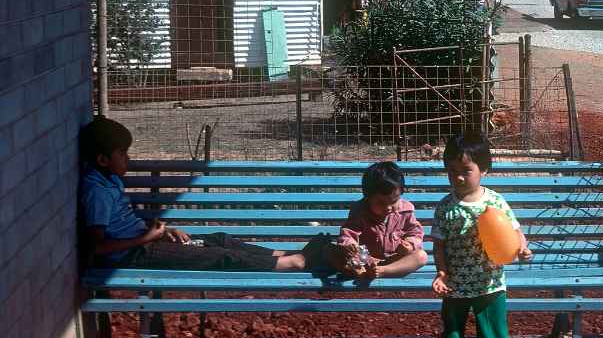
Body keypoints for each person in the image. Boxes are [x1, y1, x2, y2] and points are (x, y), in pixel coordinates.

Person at [79, 117, 327, 271]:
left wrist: (163, 233)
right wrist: (147, 239)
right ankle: (296, 263)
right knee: (220, 256)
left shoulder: (109, 180)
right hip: (134, 256)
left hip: (146, 243)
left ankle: (289, 254)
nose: (128, 159)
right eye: (122, 153)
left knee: (220, 239)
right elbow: (98, 248)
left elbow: (123, 226)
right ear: (102, 159)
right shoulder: (97, 192)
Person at [431, 131, 534, 338]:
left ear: (484, 169)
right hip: (456, 286)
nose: (458, 177)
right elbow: (439, 246)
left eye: (466, 170)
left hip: (490, 285)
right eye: (452, 171)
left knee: (496, 337)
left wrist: (522, 248)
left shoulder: (496, 202)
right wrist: (441, 274)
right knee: (452, 336)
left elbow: (514, 231)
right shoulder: (445, 208)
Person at [333, 161, 428, 279]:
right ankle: (361, 271)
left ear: (401, 194)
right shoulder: (360, 211)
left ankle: (383, 271)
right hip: (365, 258)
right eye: (381, 203)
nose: (388, 208)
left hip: (394, 259)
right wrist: (350, 245)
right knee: (332, 251)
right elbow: (348, 232)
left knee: (421, 256)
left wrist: (410, 244)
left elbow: (416, 232)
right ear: (367, 197)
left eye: (394, 201)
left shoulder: (406, 210)